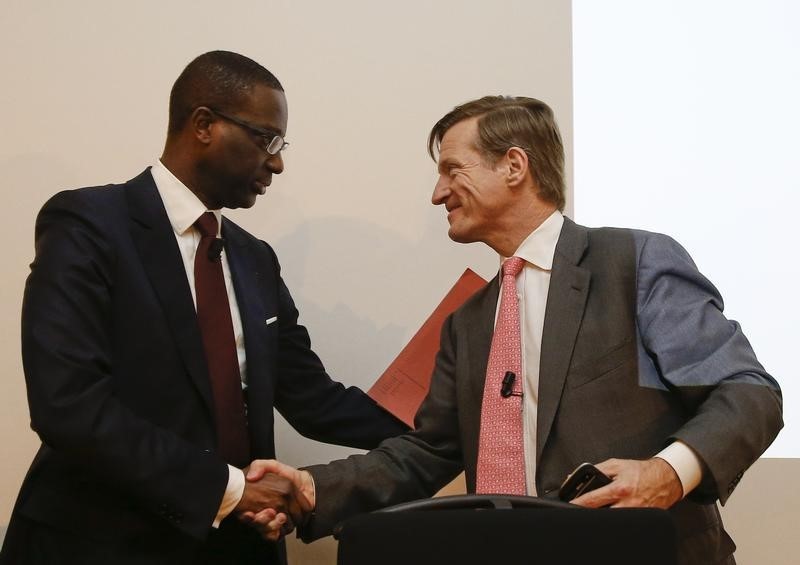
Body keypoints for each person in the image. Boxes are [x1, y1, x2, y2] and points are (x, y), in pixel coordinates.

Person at [249, 96, 783, 565]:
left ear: (513, 166)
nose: (438, 194)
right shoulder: (468, 322)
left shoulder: (634, 261)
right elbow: (428, 451)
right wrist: (314, 487)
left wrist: (670, 471)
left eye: (451, 170)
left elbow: (748, 392)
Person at [0, 50, 407, 565]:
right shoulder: (88, 225)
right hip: (105, 542)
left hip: (235, 551)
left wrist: (443, 425)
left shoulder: (255, 259)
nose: (278, 161)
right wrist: (231, 490)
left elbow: (313, 398)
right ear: (204, 125)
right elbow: (68, 406)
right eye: (266, 139)